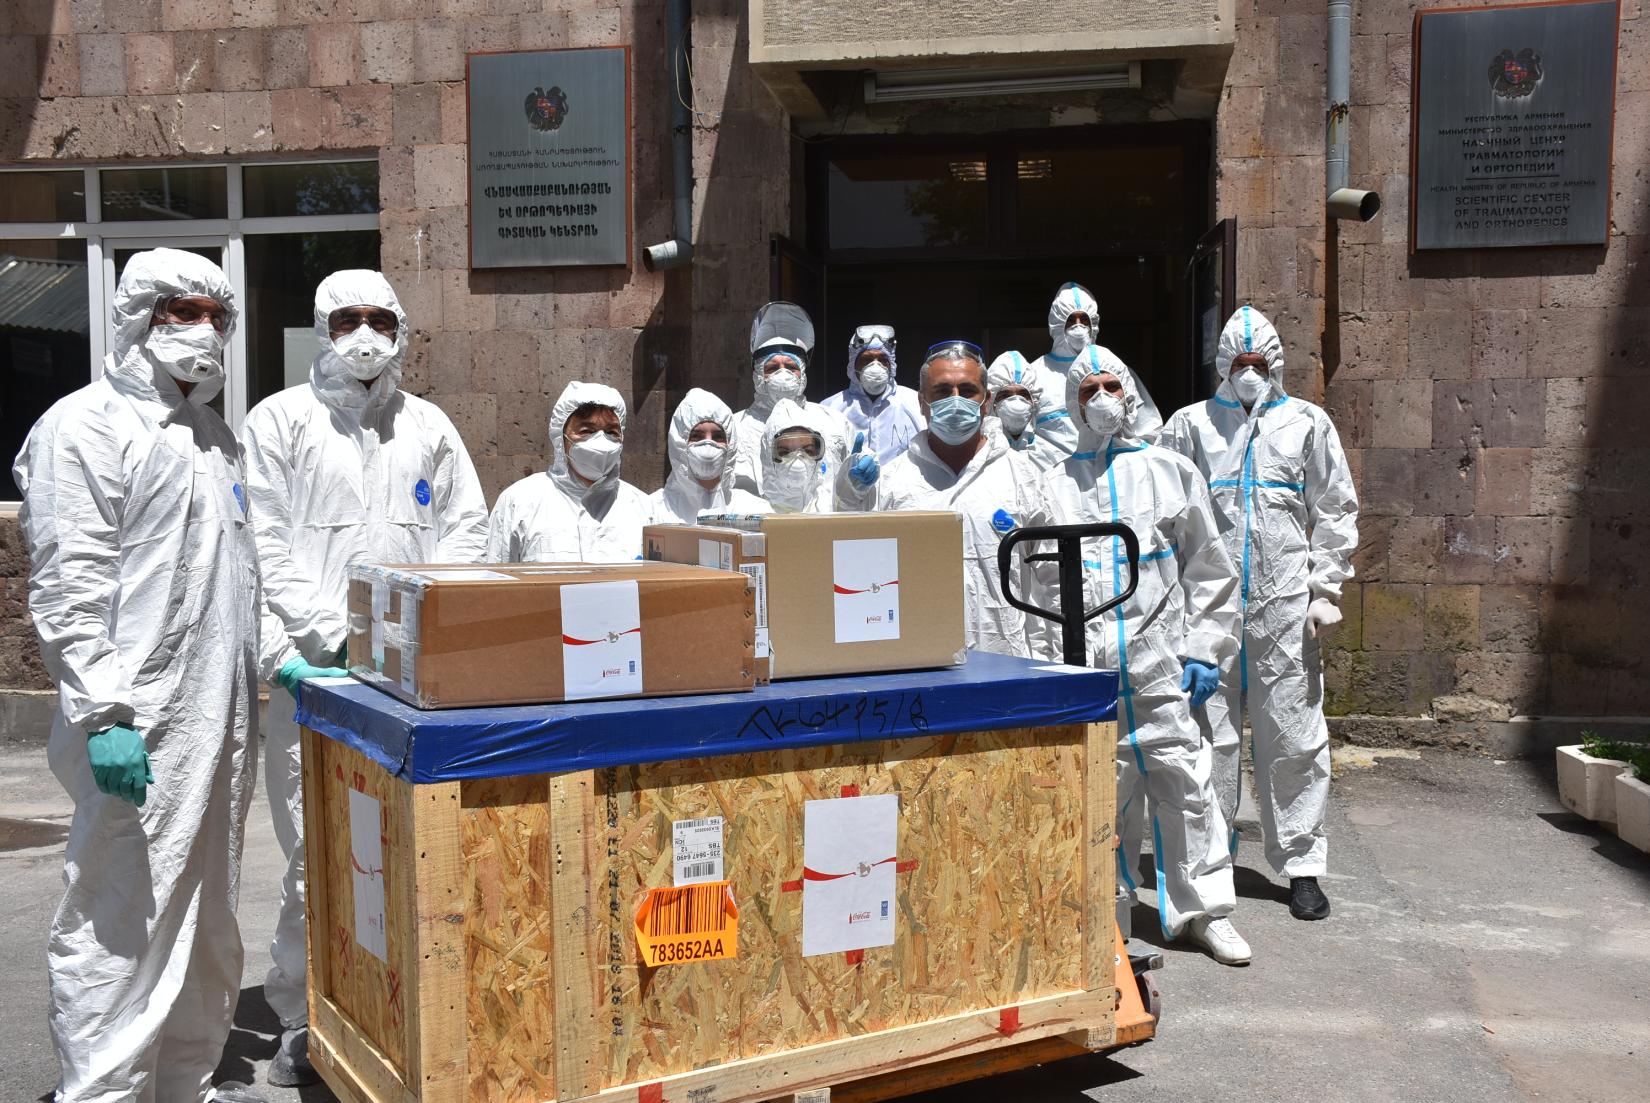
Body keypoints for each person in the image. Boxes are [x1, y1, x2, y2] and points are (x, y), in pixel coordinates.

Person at [13, 249, 271, 1101]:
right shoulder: (84, 428)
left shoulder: (213, 438)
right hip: (139, 726)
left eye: (215, 314)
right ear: (134, 317)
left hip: (218, 725)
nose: (202, 329)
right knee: (121, 918)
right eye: (179, 310)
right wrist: (102, 710)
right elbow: (69, 580)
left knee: (206, 920)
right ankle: (102, 1090)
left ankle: (180, 1081)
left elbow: (238, 577)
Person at [240, 270, 489, 1085]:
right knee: (318, 853)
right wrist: (316, 644)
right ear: (321, 326)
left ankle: (396, 1011)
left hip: (413, 687)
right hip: (317, 682)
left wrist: (426, 633)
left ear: (403, 328)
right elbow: (263, 546)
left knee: (405, 850)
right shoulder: (278, 422)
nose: (364, 333)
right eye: (346, 318)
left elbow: (467, 532)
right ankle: (302, 1015)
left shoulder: (430, 427)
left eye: (380, 317)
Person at [1035, 344, 1250, 965]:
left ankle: (1203, 912)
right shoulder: (1054, 483)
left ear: (1129, 393)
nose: (1101, 397)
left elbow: (1210, 570)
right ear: (1073, 404)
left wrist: (1206, 649)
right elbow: (1035, 582)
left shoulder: (1168, 470)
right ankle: (1106, 912)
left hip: (1159, 662)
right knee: (1103, 790)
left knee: (1186, 781)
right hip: (1089, 667)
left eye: (1111, 384)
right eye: (1088, 389)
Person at [1158, 305, 1359, 922]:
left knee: (1293, 736)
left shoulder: (1307, 423)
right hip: (1209, 611)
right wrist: (1168, 601)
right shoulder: (1190, 426)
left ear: (1275, 364)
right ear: (1222, 365)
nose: (1248, 373)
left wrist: (1325, 589)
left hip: (1284, 608)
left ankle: (1301, 865)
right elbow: (1164, 514)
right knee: (1206, 735)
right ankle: (1210, 858)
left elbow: (1334, 507)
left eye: (1258, 363)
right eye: (1238, 363)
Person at [839, 340, 1049, 658]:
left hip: (1008, 664)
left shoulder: (1023, 476)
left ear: (987, 401)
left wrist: (1053, 665)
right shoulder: (894, 481)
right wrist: (849, 492)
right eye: (941, 391)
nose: (955, 401)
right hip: (916, 666)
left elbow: (1054, 580)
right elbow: (853, 567)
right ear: (922, 403)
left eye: (967, 391)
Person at [488, 380, 651, 561]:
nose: (601, 441)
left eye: (611, 432)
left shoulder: (643, 508)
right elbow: (497, 579)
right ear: (561, 437)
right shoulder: (519, 502)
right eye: (586, 430)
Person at [730, 301, 850, 494]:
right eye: (773, 368)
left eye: (791, 367)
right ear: (757, 375)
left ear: (802, 373)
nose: (782, 374)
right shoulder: (733, 428)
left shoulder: (834, 422)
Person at [1031, 282, 1165, 450]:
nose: (1078, 326)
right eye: (1071, 320)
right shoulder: (1035, 375)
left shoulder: (1116, 372)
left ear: (1093, 324)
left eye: (1084, 319)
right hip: (1054, 473)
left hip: (1112, 471)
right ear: (1057, 324)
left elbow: (1148, 427)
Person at [648, 388, 772, 524]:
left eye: (718, 436)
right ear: (679, 443)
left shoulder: (753, 510)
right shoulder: (652, 510)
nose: (708, 443)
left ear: (730, 444)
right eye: (696, 436)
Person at [820, 324, 925, 466]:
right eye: (866, 360)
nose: (875, 367)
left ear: (891, 365)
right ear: (853, 365)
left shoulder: (915, 404)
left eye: (882, 360)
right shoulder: (829, 409)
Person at [759, 398, 861, 514]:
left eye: (808, 451)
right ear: (768, 457)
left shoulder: (835, 503)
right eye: (785, 452)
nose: (798, 459)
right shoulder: (754, 513)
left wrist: (854, 492)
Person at [985, 350, 1064, 471]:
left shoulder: (1050, 458)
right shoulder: (981, 456)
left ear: (1034, 402)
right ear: (991, 403)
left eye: (1023, 395)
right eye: (1005, 395)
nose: (1016, 402)